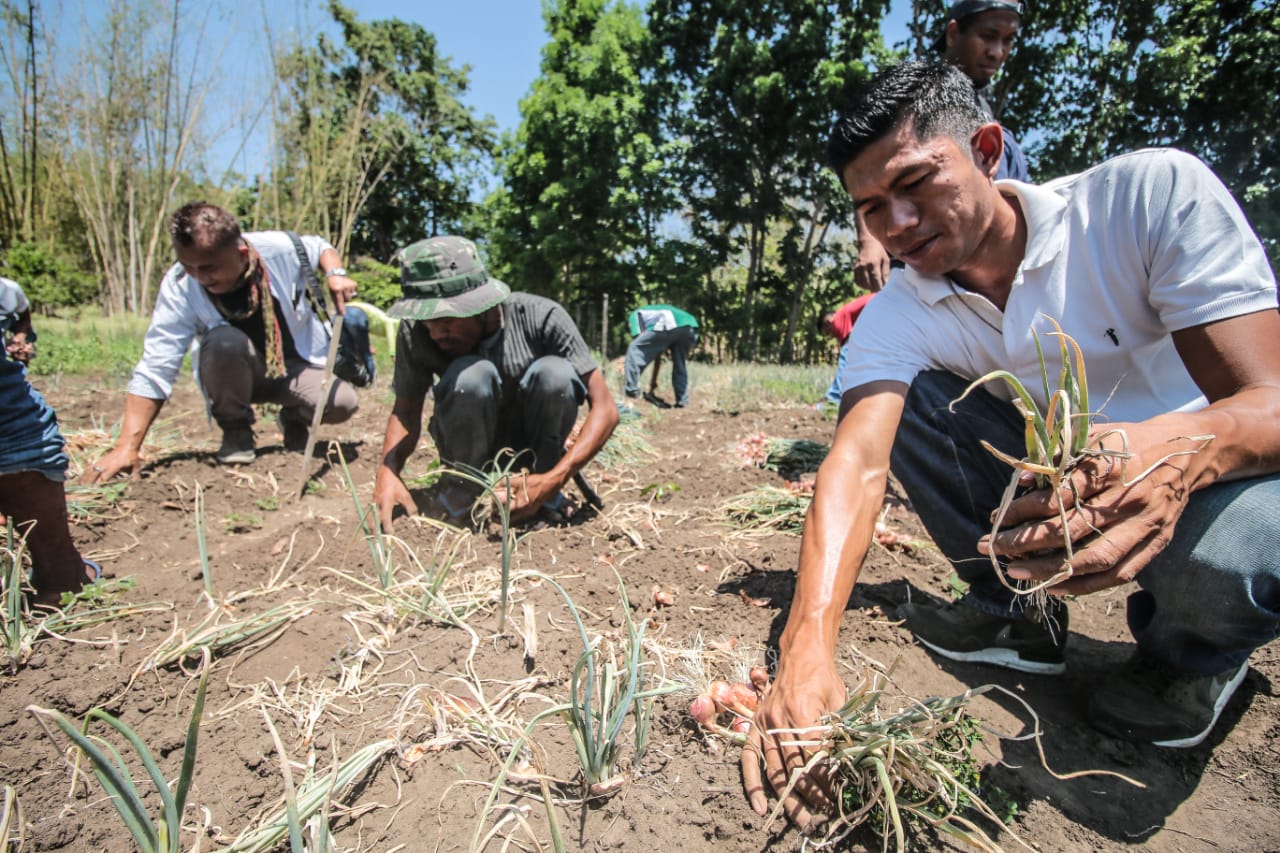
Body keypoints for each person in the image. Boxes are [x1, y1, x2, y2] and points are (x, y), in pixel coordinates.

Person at [743, 61, 1280, 829]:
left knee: (1251, 548)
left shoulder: (1149, 199)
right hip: (1050, 484)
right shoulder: (903, 307)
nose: (896, 223)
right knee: (914, 399)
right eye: (872, 207)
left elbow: (1270, 401)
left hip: (1206, 478)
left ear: (987, 150)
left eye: (916, 183)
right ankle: (1017, 613)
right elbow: (857, 463)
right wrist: (805, 642)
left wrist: (1180, 449)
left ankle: (1187, 661)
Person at [83, 202, 360, 480]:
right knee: (223, 341)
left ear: (241, 254)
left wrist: (336, 274)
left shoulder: (279, 249)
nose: (199, 277)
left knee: (343, 402)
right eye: (188, 266)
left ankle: (295, 417)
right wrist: (126, 447)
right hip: (233, 374)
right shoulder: (180, 286)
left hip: (293, 367)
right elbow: (156, 365)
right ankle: (236, 429)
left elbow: (318, 246)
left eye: (208, 267)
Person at [373, 236, 619, 528]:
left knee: (555, 375)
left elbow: (606, 409)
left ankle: (542, 496)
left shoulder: (543, 317)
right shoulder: (416, 332)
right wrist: (389, 470)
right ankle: (461, 493)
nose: (436, 333)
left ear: (481, 305)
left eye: (446, 321)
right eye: (428, 322)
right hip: (463, 454)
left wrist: (552, 480)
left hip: (535, 450)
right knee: (471, 376)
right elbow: (406, 410)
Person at [854, 0, 1030, 293]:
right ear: (953, 33)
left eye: (1007, 41)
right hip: (924, 280)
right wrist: (869, 241)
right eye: (988, 36)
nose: (997, 52)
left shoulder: (995, 128)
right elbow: (867, 169)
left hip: (988, 284)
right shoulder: (911, 99)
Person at [0, 277, 99, 605]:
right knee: (14, 424)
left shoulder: (10, 293)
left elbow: (18, 308)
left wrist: (20, 336)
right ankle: (60, 575)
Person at [623, 304, 699, 408]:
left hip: (670, 321)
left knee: (634, 348)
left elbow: (638, 346)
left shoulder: (635, 315)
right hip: (690, 326)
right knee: (679, 363)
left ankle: (631, 393)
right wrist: (653, 383)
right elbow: (657, 356)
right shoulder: (654, 321)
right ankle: (682, 401)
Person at [817, 293, 874, 405]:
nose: (832, 335)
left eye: (828, 332)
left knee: (845, 358)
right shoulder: (845, 314)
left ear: (827, 322)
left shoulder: (837, 319)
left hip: (879, 306)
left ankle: (834, 397)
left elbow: (847, 345)